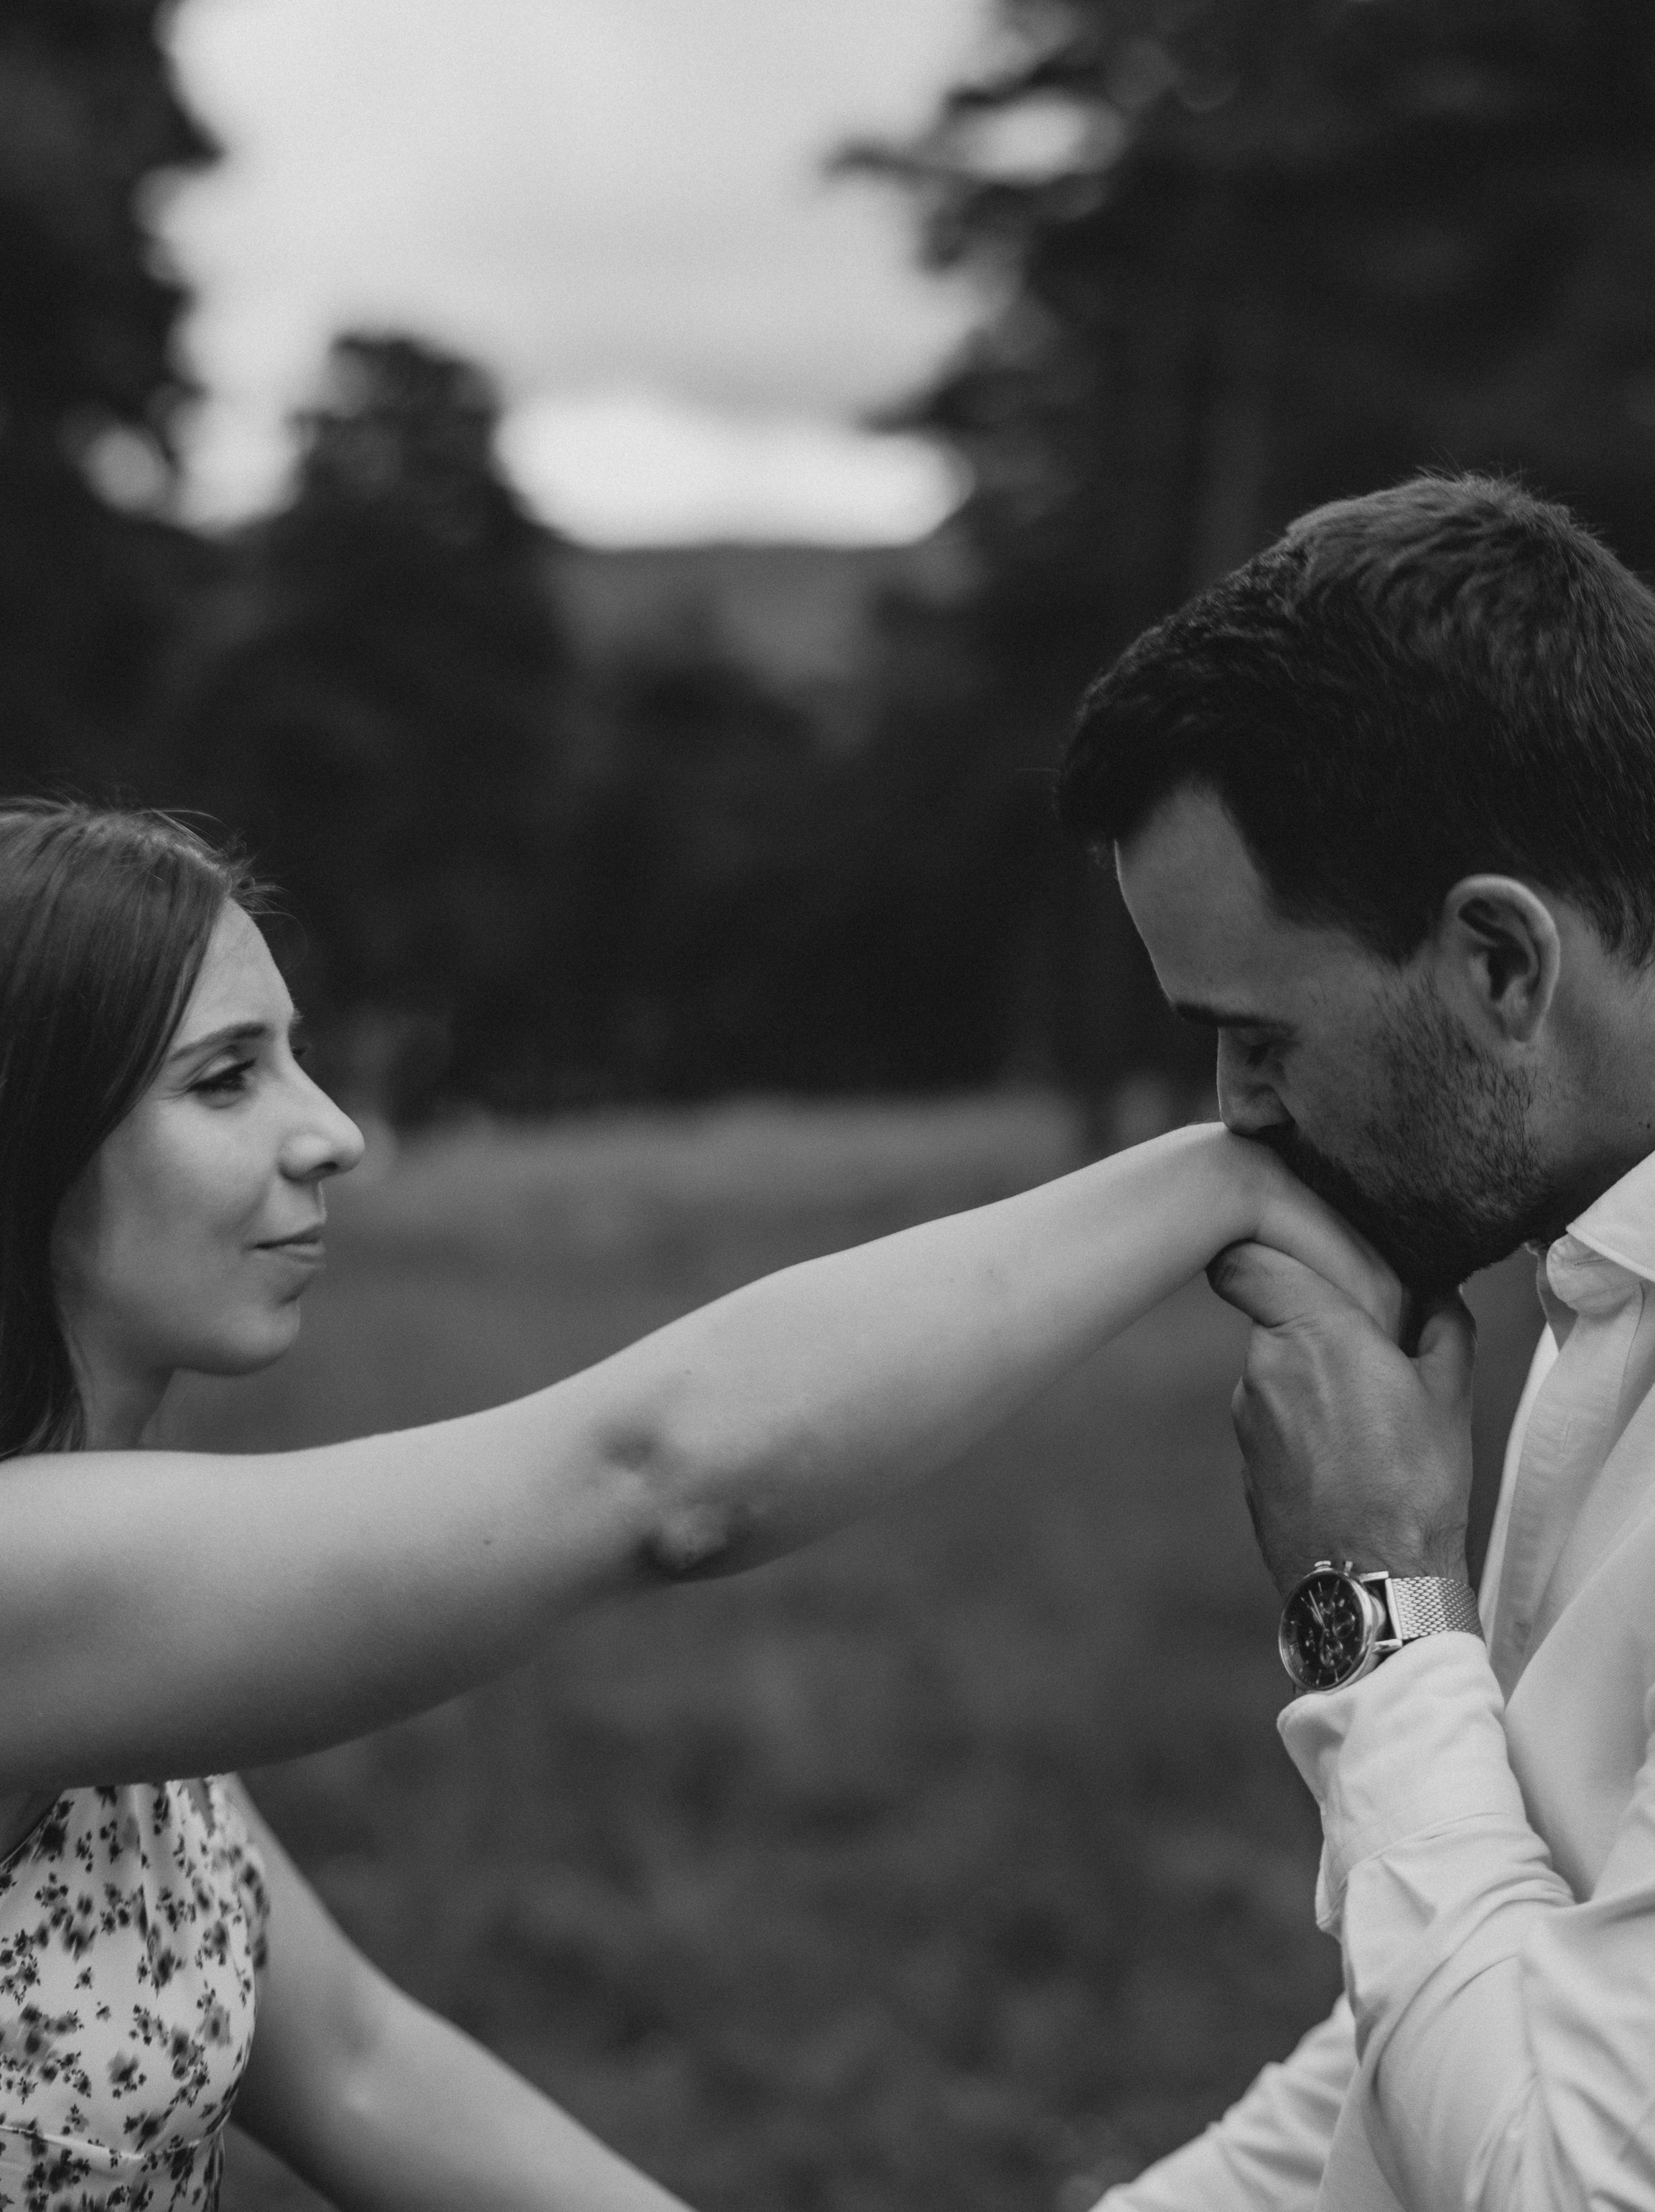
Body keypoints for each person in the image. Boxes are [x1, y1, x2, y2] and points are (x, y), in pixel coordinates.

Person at [0, 798, 1371, 2212]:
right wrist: (1216, 1178)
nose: (334, 1132)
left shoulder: (114, 1678)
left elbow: (360, 2069)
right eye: (226, 1079)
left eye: (295, 1058)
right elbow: (655, 1477)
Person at [1058, 473, 1655, 2212]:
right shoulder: (1627, 1266)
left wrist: (1379, 1613)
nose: (1235, 1118)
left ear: (1498, 961)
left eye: (1256, 1038)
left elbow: (1582, 2182)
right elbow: (1505, 1956)